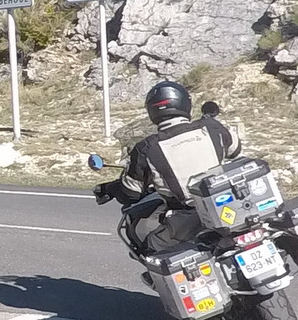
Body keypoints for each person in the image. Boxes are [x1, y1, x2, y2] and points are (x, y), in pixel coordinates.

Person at [95, 81, 240, 254]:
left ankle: (172, 279)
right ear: (185, 103)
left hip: (191, 216)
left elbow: (131, 192)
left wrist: (110, 188)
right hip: (232, 205)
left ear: (152, 111)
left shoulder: (147, 148)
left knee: (149, 244)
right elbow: (235, 150)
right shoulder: (212, 128)